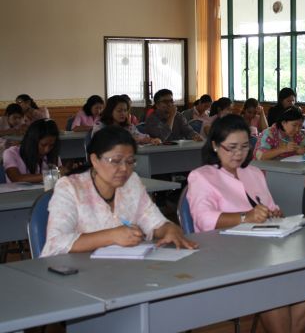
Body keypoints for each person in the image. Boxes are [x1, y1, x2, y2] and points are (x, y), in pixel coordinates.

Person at [187, 114, 305, 332]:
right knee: (271, 289)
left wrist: (275, 214)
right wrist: (245, 217)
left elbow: (271, 207)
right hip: (223, 255)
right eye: (231, 148)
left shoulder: (254, 172)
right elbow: (203, 218)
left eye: (244, 147)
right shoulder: (202, 176)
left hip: (263, 250)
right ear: (215, 146)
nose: (238, 153)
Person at [41, 126, 196, 257]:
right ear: (94, 160)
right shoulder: (70, 188)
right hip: (76, 273)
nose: (124, 169)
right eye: (115, 161)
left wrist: (169, 229)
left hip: (121, 270)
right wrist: (112, 236)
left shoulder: (131, 182)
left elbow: (154, 221)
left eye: (130, 161)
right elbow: (56, 243)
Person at [3, 119, 61, 183]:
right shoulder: (11, 153)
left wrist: (61, 173)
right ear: (32, 141)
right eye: (43, 145)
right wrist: (52, 175)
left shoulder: (53, 154)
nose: (47, 150)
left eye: (51, 145)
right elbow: (16, 178)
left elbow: (59, 175)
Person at [93, 95, 159, 145]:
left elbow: (139, 136)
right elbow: (102, 142)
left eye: (125, 110)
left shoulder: (128, 127)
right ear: (110, 111)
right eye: (119, 111)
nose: (123, 114)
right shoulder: (100, 125)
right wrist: (131, 140)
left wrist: (151, 140)